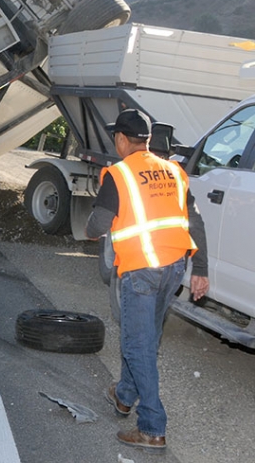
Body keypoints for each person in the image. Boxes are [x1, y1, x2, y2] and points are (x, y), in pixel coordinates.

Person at [86, 109, 209, 451]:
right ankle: (125, 395)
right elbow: (194, 223)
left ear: (122, 140)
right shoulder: (174, 171)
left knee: (137, 345)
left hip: (141, 269)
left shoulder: (119, 174)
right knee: (145, 338)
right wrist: (200, 269)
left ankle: (152, 426)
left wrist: (89, 230)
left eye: (116, 138)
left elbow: (98, 224)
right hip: (173, 268)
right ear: (148, 140)